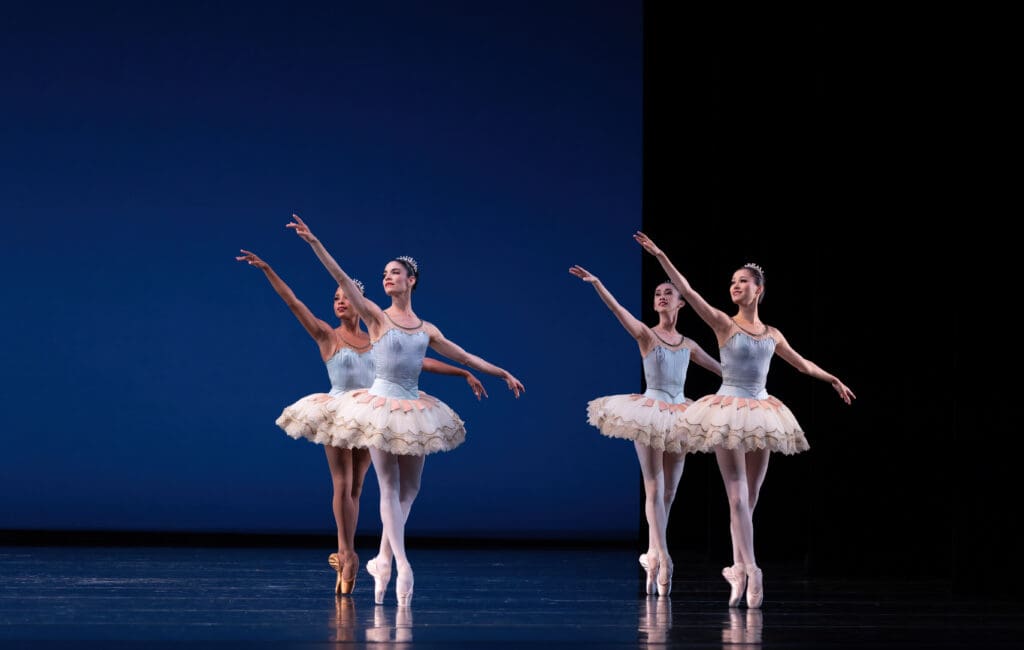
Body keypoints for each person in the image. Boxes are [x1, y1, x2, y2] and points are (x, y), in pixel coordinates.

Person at [287, 213, 525, 606]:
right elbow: (343, 278)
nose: (388, 277)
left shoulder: (426, 328)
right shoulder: (376, 317)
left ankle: (381, 558)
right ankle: (402, 563)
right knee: (388, 485)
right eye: (385, 273)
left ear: (411, 280)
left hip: (414, 405)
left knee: (410, 489)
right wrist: (314, 242)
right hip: (379, 405)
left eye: (395, 273)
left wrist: (501, 373)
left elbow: (463, 355)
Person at [236, 249, 486, 597]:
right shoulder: (327, 335)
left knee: (358, 488)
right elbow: (293, 303)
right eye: (336, 299)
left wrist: (462, 371)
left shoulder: (377, 336)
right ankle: (347, 551)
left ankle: (364, 557)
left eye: (345, 298)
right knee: (343, 483)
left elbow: (420, 361)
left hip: (371, 414)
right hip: (340, 412)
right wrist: (268, 269)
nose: (340, 303)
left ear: (358, 304)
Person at [634, 231, 855, 609]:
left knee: (749, 498)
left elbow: (801, 363)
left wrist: (831, 378)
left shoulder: (772, 334)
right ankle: (753, 570)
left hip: (762, 410)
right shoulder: (723, 323)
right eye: (732, 282)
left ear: (759, 289)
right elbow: (687, 288)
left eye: (742, 282)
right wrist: (661, 255)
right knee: (736, 494)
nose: (735, 287)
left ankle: (737, 566)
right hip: (728, 410)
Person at [570, 265, 721, 597]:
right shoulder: (646, 335)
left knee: (669, 493)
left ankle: (653, 554)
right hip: (650, 412)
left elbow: (722, 369)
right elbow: (617, 311)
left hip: (681, 413)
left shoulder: (688, 344)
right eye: (657, 294)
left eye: (669, 293)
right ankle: (663, 557)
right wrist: (597, 283)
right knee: (655, 487)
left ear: (681, 303)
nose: (662, 296)